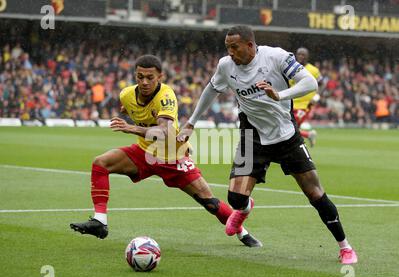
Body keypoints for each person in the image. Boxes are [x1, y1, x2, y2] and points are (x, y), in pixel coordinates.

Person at [177, 26, 357, 264]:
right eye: (227, 48)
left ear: (250, 45)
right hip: (252, 135)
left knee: (314, 193)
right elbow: (212, 90)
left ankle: (345, 247)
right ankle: (244, 209)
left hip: (286, 135)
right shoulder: (225, 66)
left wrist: (280, 96)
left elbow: (310, 82)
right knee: (235, 198)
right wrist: (191, 122)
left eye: (235, 47)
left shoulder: (276, 57)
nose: (230, 53)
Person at [70, 54, 262, 248]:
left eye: (150, 77)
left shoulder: (166, 96)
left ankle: (243, 233)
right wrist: (127, 112)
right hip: (144, 153)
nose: (144, 82)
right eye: (140, 77)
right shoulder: (126, 94)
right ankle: (100, 221)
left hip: (174, 157)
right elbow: (127, 107)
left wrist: (132, 128)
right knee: (100, 163)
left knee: (210, 203)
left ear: (160, 76)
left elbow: (165, 132)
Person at [290, 47, 322, 147]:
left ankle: (297, 146)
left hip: (305, 105)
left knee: (291, 128)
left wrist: (317, 95)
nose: (300, 56)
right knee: (291, 128)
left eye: (303, 55)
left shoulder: (314, 70)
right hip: (291, 103)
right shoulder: (291, 69)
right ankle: (308, 135)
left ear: (307, 57)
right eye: (299, 54)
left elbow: (321, 84)